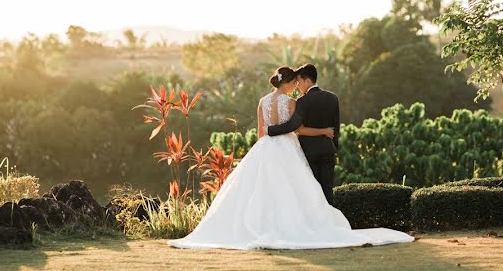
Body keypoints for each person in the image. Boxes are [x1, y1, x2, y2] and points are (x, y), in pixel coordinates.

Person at [169, 66, 413, 250]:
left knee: (263, 189)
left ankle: (260, 226)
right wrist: (325, 132)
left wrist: (264, 145)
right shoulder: (292, 102)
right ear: (289, 82)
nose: (297, 84)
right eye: (294, 81)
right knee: (297, 188)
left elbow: (260, 131)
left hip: (265, 147)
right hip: (286, 147)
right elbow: (297, 129)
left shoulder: (263, 101)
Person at [266, 63, 338, 204]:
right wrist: (335, 148)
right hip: (328, 150)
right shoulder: (332, 98)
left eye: (298, 82)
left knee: (313, 190)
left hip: (309, 151)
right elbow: (336, 128)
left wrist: (270, 130)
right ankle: (331, 221)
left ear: (307, 80)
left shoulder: (302, 101)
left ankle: (317, 222)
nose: (297, 85)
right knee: (328, 189)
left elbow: (294, 126)